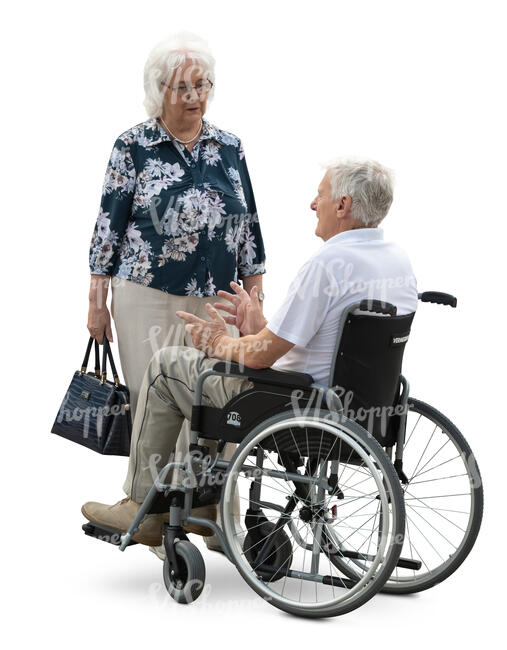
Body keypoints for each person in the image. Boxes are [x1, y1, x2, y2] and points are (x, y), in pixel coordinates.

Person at [81, 158, 418, 549]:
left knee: (168, 367)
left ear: (342, 206)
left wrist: (219, 342)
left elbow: (260, 357)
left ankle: (142, 507)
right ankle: (206, 505)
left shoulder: (327, 265)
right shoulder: (397, 261)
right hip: (362, 409)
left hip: (290, 404)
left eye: (321, 195)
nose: (313, 204)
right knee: (209, 377)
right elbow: (310, 343)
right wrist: (257, 326)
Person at [87, 31, 266, 421]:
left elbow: (248, 227)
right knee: (156, 407)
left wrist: (256, 302)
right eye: (181, 87)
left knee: (220, 406)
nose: (193, 96)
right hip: (147, 297)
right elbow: (107, 232)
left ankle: (214, 485)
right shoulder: (132, 146)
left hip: (218, 301)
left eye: (200, 85)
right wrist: (96, 305)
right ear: (158, 89)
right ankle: (153, 484)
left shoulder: (229, 147)